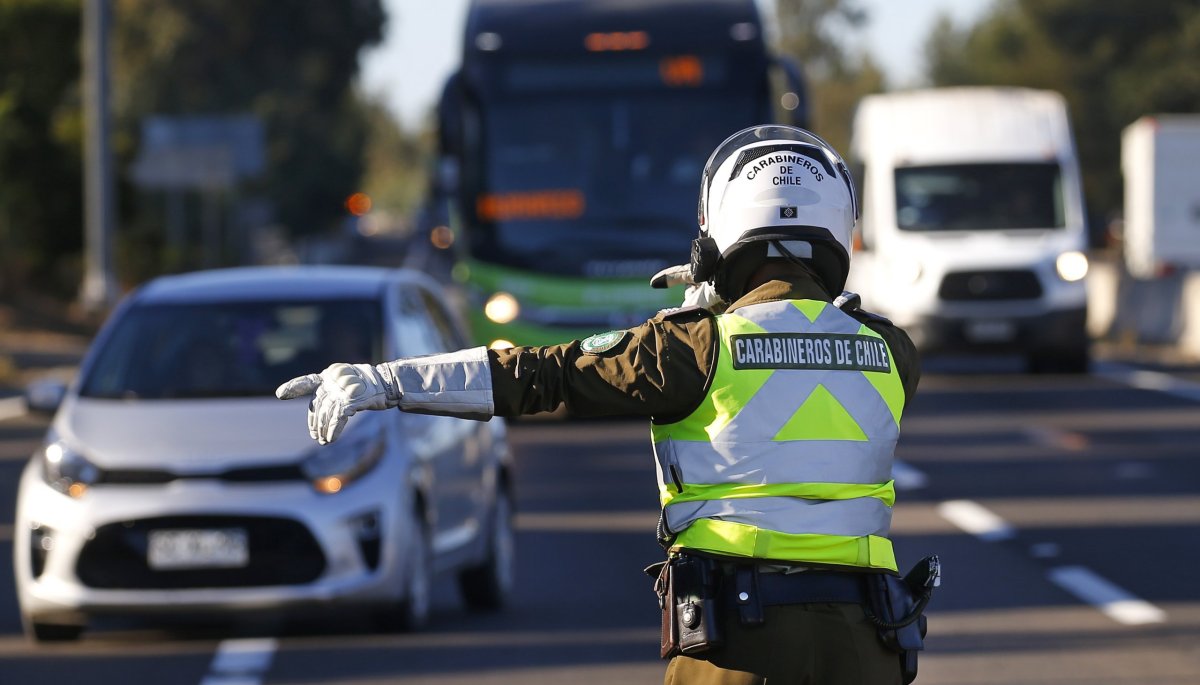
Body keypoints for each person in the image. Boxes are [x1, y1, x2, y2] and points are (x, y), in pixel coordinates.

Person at [277, 125, 932, 684]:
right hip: (867, 640)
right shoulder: (892, 349)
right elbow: (814, 338)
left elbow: (543, 374)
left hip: (741, 643)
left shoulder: (693, 345)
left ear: (721, 225)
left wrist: (389, 381)